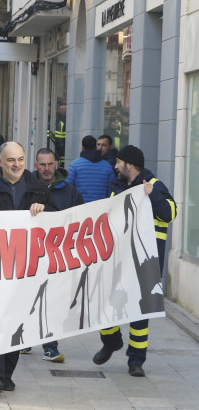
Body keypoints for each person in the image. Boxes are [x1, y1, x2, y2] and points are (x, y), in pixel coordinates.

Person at [0, 142, 57, 395]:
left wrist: (45, 211)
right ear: (0, 162)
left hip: (26, 270)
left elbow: (59, 222)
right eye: (11, 160)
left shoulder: (39, 190)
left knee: (16, 324)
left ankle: (7, 374)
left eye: (21, 159)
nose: (16, 164)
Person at [93, 145, 175, 378]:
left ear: (129, 164)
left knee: (140, 313)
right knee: (106, 304)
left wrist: (153, 194)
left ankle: (136, 361)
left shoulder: (155, 185)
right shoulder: (117, 188)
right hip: (118, 260)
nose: (115, 166)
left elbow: (170, 213)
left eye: (118, 162)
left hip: (146, 262)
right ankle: (111, 341)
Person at [24, 147, 84, 362]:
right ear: (35, 166)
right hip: (30, 253)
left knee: (53, 301)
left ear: (56, 164)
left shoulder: (70, 192)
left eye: (50, 164)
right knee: (28, 298)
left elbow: (81, 218)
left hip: (58, 255)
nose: (47, 169)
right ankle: (26, 340)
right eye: (42, 165)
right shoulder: (25, 187)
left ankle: (50, 345)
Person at [65, 135, 115, 203]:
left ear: (82, 148)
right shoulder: (108, 166)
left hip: (80, 207)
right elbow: (111, 191)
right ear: (95, 147)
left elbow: (68, 189)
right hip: (101, 208)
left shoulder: (74, 165)